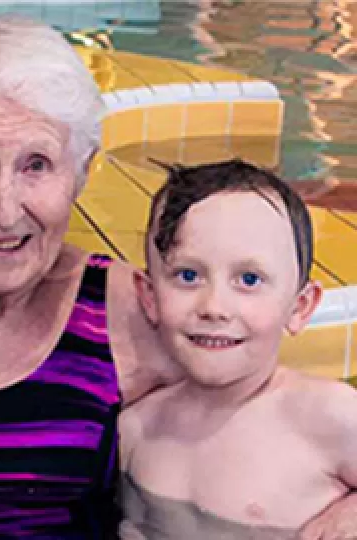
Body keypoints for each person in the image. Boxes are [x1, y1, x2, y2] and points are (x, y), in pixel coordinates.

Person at [0, 14, 357, 539]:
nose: (3, 208)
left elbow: (261, 422)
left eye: (37, 165)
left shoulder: (135, 315)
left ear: (83, 172)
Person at [119, 159, 357, 539]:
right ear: (149, 296)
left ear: (299, 308)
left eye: (249, 279)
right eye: (188, 275)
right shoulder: (136, 432)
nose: (214, 306)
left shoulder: (327, 416)